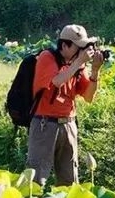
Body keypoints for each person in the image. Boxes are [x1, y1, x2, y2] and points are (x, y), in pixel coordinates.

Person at [27, 24, 104, 186]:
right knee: (36, 180)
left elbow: (89, 97)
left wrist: (95, 71)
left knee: (70, 181)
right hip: (44, 124)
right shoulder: (47, 58)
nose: (83, 52)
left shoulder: (78, 65)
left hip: (68, 124)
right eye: (80, 47)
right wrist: (79, 62)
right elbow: (56, 81)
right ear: (64, 45)